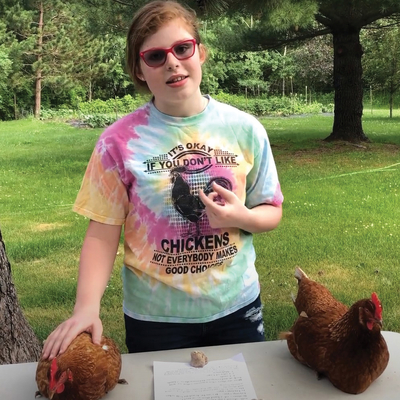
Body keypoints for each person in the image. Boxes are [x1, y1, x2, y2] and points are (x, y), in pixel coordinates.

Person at [42, 0, 283, 359]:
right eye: (155, 56)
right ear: (140, 70)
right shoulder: (118, 142)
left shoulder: (245, 129)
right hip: (156, 320)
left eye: (182, 48)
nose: (172, 61)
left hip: (237, 307)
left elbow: (271, 209)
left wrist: (242, 218)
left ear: (200, 52)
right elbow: (102, 233)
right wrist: (86, 308)